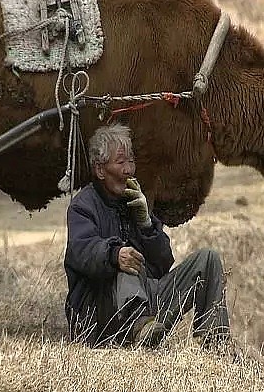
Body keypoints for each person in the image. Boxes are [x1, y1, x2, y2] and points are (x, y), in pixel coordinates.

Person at [64, 122, 230, 348]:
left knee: (207, 259)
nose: (128, 170)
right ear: (100, 170)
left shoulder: (133, 200)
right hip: (100, 314)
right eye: (120, 162)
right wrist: (114, 254)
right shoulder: (82, 206)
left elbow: (163, 264)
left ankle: (215, 340)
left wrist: (146, 222)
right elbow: (81, 251)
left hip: (146, 304)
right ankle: (138, 325)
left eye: (131, 161)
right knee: (125, 259)